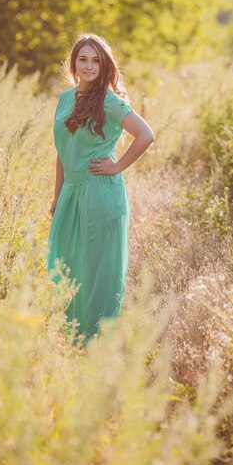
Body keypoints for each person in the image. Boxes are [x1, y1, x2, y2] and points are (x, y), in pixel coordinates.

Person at [46, 32, 155, 347]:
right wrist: (57, 196)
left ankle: (95, 340)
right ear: (74, 63)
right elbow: (62, 152)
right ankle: (71, 334)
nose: (89, 65)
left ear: (104, 65)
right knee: (66, 260)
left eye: (96, 60)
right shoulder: (66, 100)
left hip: (100, 191)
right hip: (71, 190)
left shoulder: (109, 100)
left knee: (97, 267)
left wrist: (117, 166)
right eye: (83, 59)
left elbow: (146, 134)